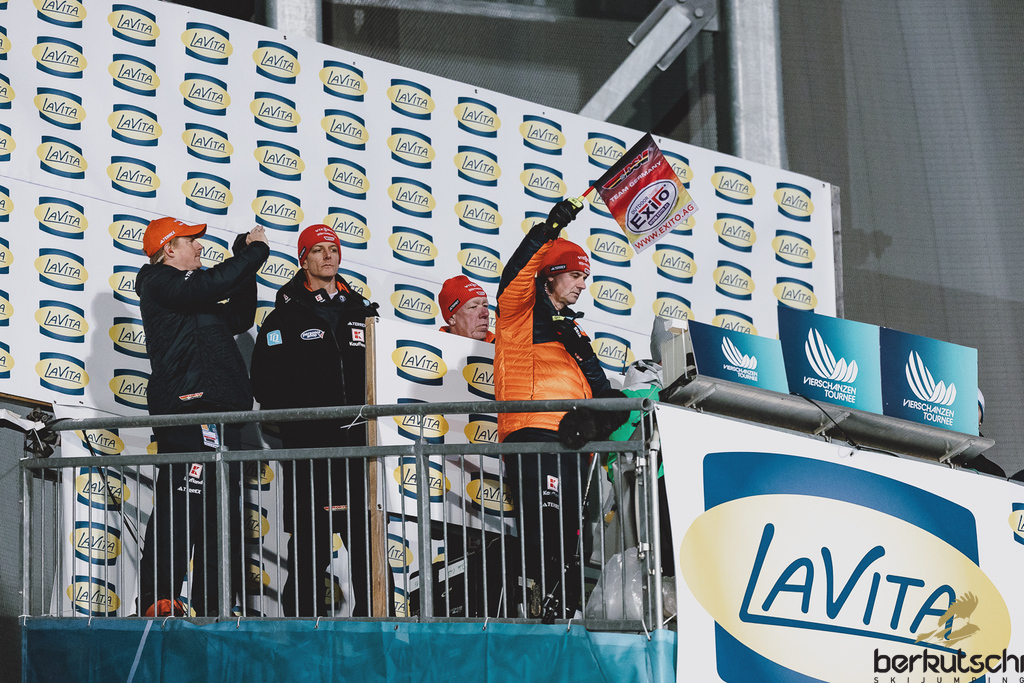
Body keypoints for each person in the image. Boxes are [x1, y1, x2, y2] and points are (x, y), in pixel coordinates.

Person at [494, 198, 626, 619]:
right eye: (574, 275)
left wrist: (600, 416)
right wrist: (550, 229)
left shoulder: (574, 331)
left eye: (585, 277)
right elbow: (515, 275)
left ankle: (566, 614)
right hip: (535, 430)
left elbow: (603, 395)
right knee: (545, 532)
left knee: (574, 542)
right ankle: (541, 613)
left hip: (573, 444)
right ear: (551, 275)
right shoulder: (519, 314)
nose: (582, 284)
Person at [136, 217, 269, 617]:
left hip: (221, 415)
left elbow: (240, 315)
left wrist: (243, 258)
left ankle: (215, 606)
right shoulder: (159, 281)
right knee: (179, 509)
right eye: (191, 240)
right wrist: (256, 252)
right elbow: (210, 284)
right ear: (169, 249)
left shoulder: (193, 298)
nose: (199, 246)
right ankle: (159, 598)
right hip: (186, 411)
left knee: (220, 519)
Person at [250, 223, 378, 617]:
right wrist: (300, 427)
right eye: (318, 250)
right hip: (311, 450)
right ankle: (300, 630)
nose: (328, 256)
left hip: (361, 450)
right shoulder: (283, 318)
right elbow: (265, 384)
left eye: (333, 249)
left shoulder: (364, 312)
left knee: (367, 545)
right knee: (310, 547)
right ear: (303, 260)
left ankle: (376, 627)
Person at [438, 275, 494, 342]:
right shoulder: (433, 346)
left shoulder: (501, 345)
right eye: (473, 307)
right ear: (452, 319)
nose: (485, 313)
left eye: (485, 305)